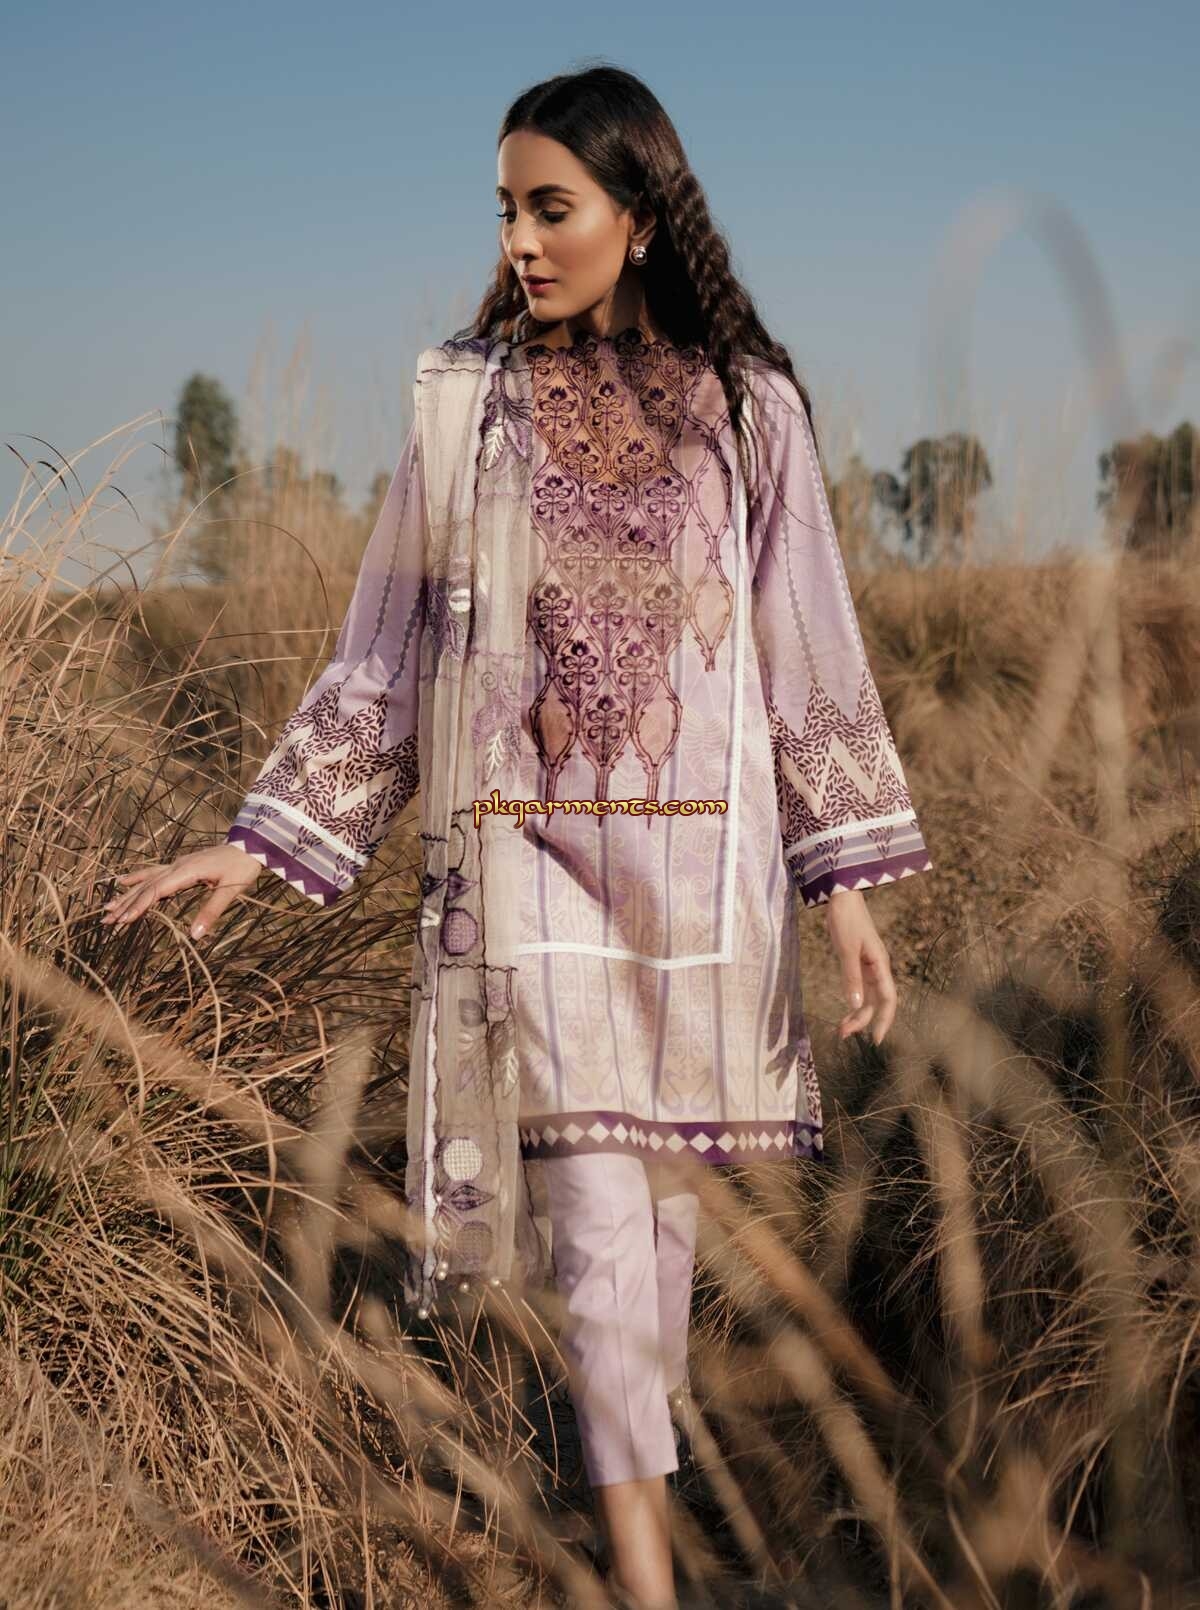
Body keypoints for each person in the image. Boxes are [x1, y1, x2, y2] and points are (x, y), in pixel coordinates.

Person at [102, 64, 932, 1610]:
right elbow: (384, 650)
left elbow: (804, 645)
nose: (522, 241)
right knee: (604, 1208)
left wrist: (846, 892)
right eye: (506, 210)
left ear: (642, 216)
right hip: (522, 871)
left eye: (553, 207)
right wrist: (256, 842)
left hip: (698, 884)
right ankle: (646, 1583)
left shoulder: (749, 409)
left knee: (653, 1236)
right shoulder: (463, 405)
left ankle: (636, 1495)